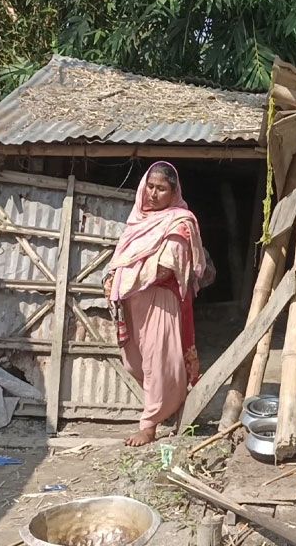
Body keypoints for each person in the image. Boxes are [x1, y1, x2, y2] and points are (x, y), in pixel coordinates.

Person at [104, 161, 208, 446]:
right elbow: (119, 261)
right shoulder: (136, 221)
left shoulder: (180, 223)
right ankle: (172, 407)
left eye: (161, 189)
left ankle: (149, 426)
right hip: (133, 303)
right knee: (134, 360)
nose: (153, 193)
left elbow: (166, 267)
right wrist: (112, 278)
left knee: (159, 361)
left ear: (173, 193)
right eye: (150, 186)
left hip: (160, 300)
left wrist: (125, 278)